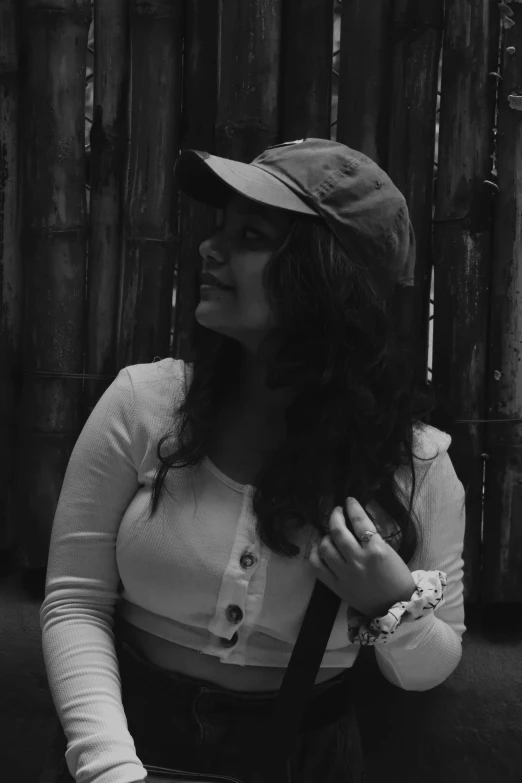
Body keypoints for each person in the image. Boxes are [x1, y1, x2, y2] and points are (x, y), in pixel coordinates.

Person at [40, 138, 467, 783]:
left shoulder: (418, 464)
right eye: (220, 228)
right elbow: (75, 601)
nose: (210, 248)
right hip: (128, 742)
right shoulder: (145, 402)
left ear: (325, 275)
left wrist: (394, 605)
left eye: (251, 235)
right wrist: (108, 768)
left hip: (307, 759)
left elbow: (431, 669)